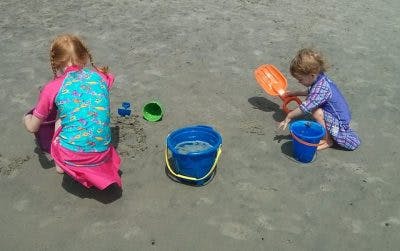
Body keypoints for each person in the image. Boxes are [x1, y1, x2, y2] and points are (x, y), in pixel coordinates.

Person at [23, 34, 122, 190]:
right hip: (102, 153)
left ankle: (60, 165)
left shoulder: (51, 88)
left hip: (73, 155)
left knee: (60, 118)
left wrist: (26, 117)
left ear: (55, 63)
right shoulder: (100, 78)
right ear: (84, 57)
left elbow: (32, 128)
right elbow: (109, 78)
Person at [278, 48, 361, 150]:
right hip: (341, 115)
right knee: (315, 108)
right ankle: (327, 132)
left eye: (300, 79)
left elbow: (306, 106)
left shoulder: (321, 88)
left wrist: (290, 115)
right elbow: (312, 93)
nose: (299, 82)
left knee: (316, 111)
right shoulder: (320, 78)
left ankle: (327, 141)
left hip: (340, 122)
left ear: (311, 75)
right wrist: (294, 93)